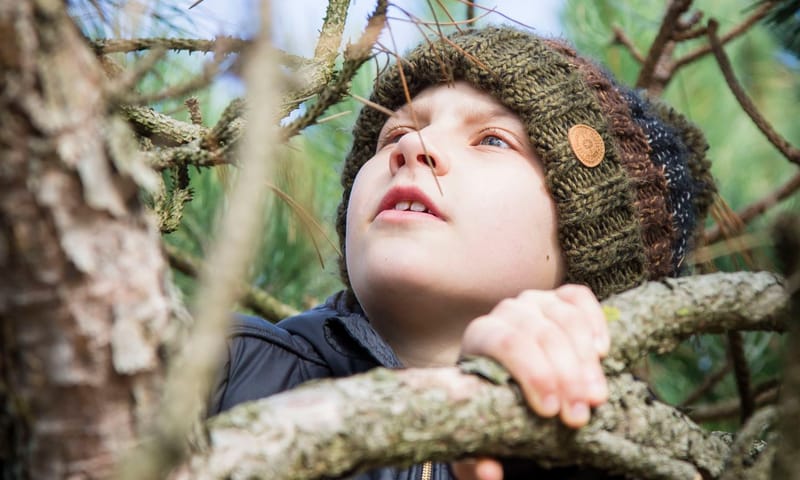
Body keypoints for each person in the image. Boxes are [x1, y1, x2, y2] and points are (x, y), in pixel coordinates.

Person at [208, 25, 716, 480]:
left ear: (586, 249)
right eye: (396, 132)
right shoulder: (221, 371)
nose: (414, 147)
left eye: (492, 140)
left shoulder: (627, 458)